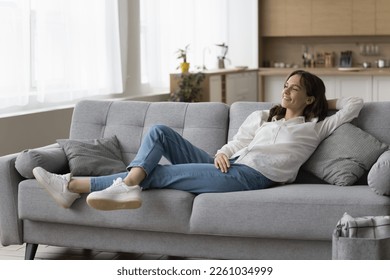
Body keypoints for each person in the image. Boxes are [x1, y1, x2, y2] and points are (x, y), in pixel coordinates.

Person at [33, 70, 364, 211]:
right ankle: (128, 183)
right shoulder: (264, 117)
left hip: (252, 176)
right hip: (228, 164)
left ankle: (72, 186)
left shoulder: (316, 126)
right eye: (286, 85)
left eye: (295, 88)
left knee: (158, 174)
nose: (286, 90)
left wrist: (321, 102)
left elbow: (354, 104)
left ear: (309, 98)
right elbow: (236, 144)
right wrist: (220, 153)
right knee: (160, 131)